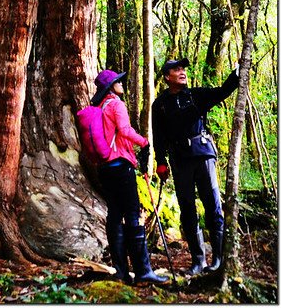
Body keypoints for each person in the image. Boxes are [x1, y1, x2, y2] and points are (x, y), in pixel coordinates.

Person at [151, 58, 239, 275]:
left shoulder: (196, 95)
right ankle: (198, 261)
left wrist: (238, 71)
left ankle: (217, 259)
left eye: (183, 69)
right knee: (187, 209)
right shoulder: (159, 104)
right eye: (176, 69)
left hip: (203, 154)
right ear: (166, 77)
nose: (182, 72)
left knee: (212, 204)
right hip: (179, 160)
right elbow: (159, 136)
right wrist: (160, 162)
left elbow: (222, 92)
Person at [91, 69, 168, 285]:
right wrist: (143, 142)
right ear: (110, 86)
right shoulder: (115, 104)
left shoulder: (99, 106)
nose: (122, 84)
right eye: (118, 81)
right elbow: (124, 130)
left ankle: (121, 271)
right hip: (121, 166)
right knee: (133, 213)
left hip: (105, 168)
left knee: (114, 215)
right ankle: (143, 271)